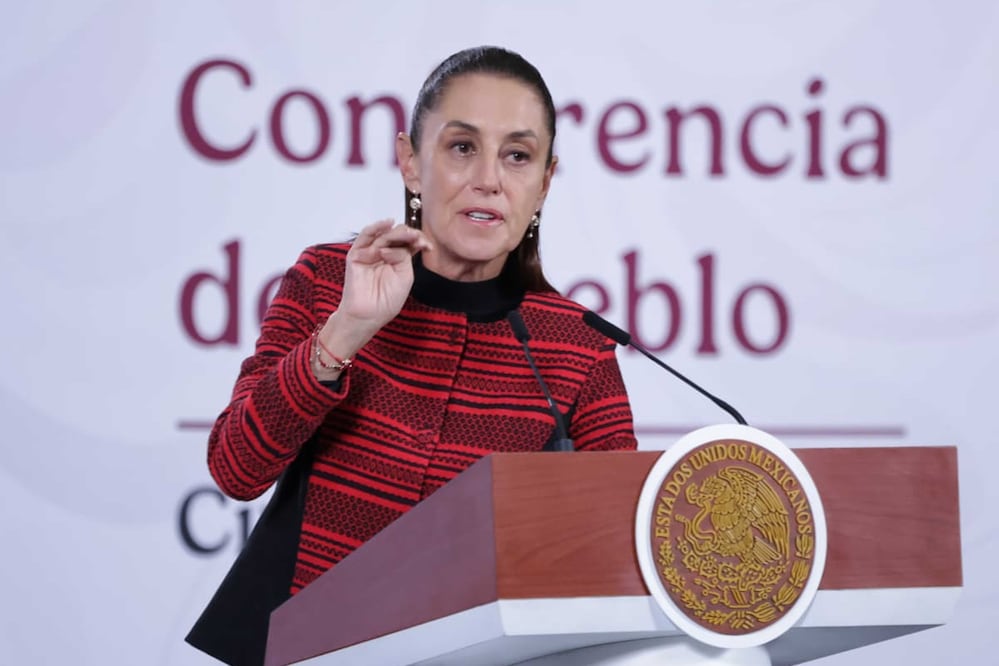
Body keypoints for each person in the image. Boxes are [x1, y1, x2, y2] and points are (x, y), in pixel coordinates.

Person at [186, 45, 637, 665]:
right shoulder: (327, 281)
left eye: (517, 155)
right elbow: (236, 469)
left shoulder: (578, 347)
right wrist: (346, 330)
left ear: (544, 183)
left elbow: (615, 555)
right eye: (461, 147)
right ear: (410, 163)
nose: (489, 178)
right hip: (302, 647)